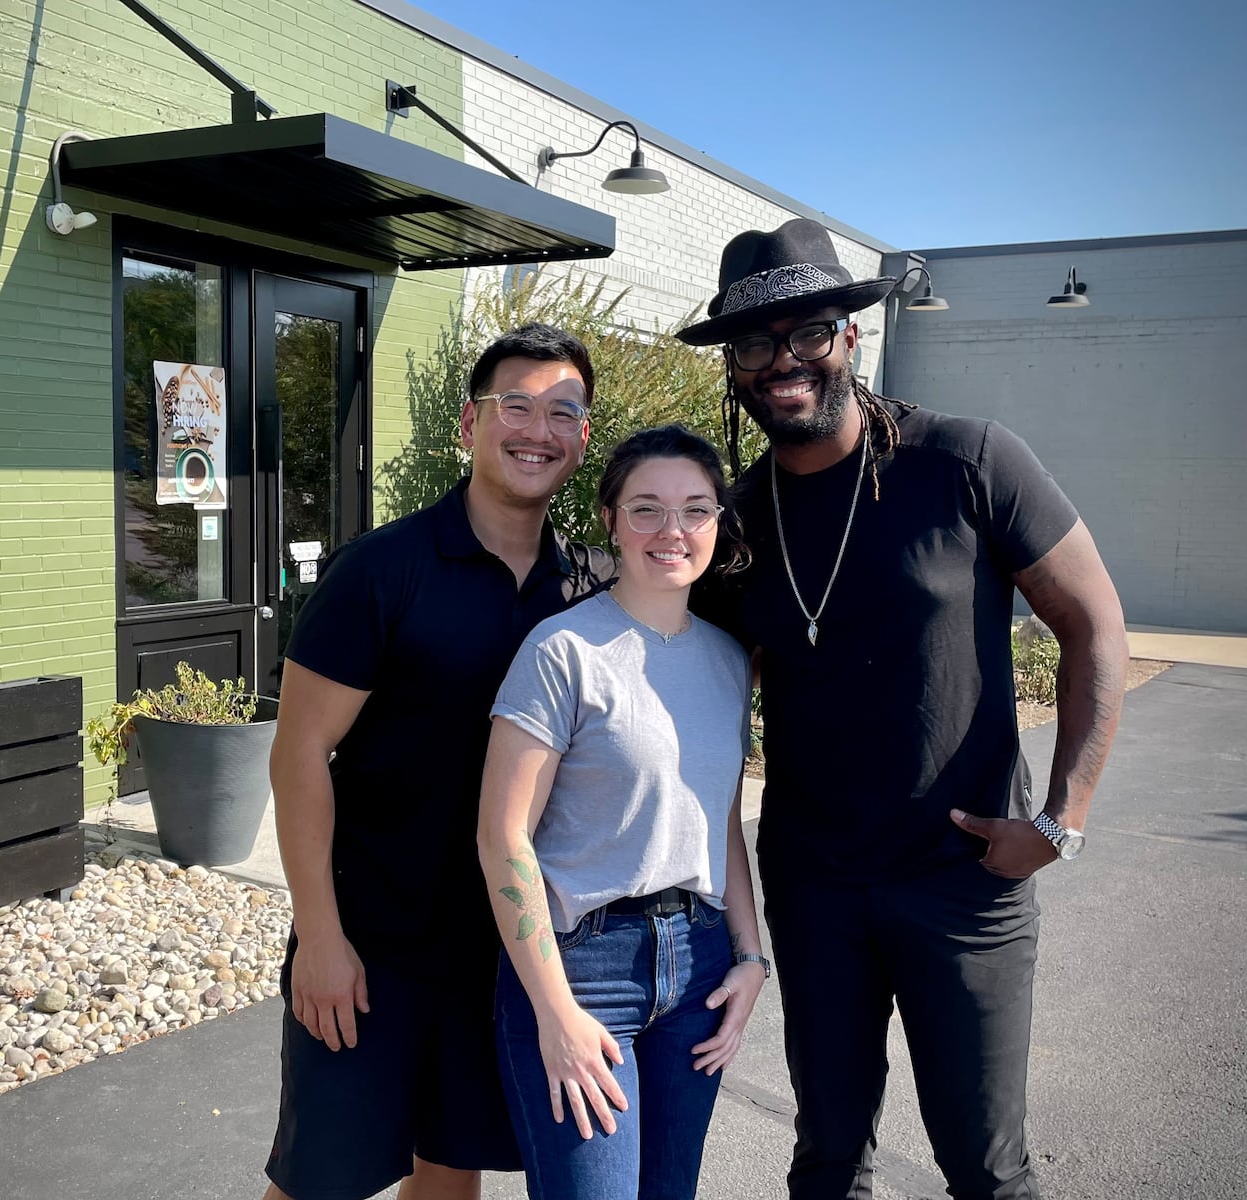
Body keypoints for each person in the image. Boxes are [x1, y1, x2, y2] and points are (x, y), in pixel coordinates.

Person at [678, 218, 1129, 1200]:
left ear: (849, 334)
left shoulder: (965, 463)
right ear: (733, 368)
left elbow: (1095, 624)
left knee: (986, 1168)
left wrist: (1063, 822)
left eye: (805, 332)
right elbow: (691, 699)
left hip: (961, 885)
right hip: (816, 893)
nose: (780, 362)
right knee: (828, 1159)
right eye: (754, 344)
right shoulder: (734, 524)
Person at [261, 323, 612, 1200]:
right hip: (370, 944)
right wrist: (321, 937)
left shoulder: (587, 591)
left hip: (499, 955)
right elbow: (300, 753)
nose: (537, 429)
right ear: (468, 424)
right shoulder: (380, 571)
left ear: (581, 439)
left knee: (451, 1174)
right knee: (321, 1181)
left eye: (561, 412)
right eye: (514, 407)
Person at [478, 425, 767, 1200]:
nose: (671, 531)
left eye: (695, 510)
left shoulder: (729, 659)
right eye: (646, 509)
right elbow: (502, 837)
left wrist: (750, 958)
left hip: (700, 963)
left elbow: (721, 821)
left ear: (717, 525)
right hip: (584, 969)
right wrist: (553, 1009)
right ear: (610, 519)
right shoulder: (563, 650)